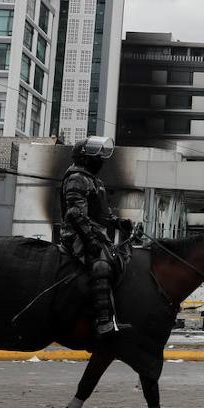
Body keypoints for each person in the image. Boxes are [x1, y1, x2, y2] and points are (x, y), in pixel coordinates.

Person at [60, 136, 132, 340]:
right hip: (75, 233)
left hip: (94, 232)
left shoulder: (94, 181)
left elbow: (103, 216)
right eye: (97, 156)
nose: (101, 160)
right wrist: (90, 240)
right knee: (101, 265)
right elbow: (74, 214)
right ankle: (103, 321)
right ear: (85, 159)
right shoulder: (76, 178)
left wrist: (118, 223)